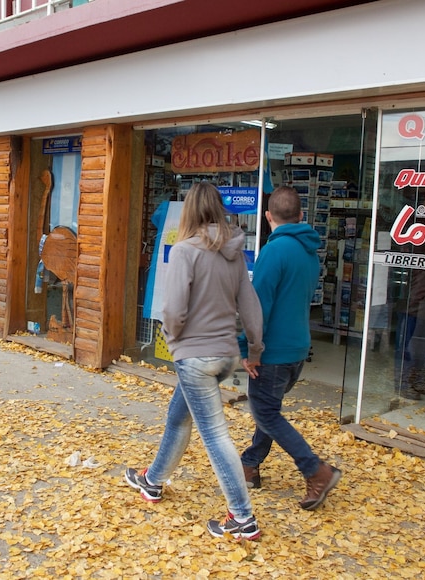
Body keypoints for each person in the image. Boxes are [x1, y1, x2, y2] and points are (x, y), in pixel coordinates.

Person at [125, 182, 265, 540]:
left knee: (215, 434)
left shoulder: (185, 251)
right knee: (178, 418)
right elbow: (250, 304)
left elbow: (173, 309)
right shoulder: (234, 252)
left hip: (196, 357)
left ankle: (243, 517)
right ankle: (152, 481)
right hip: (225, 356)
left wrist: (173, 339)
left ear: (189, 211)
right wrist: (255, 347)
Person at [237, 185, 341, 511]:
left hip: (273, 350)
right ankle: (250, 465)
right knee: (268, 410)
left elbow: (258, 306)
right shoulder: (310, 252)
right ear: (300, 215)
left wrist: (249, 348)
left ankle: (316, 470)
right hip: (297, 348)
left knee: (266, 411)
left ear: (268, 217)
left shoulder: (274, 250)